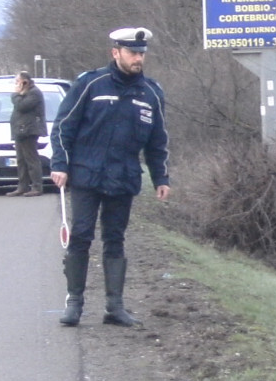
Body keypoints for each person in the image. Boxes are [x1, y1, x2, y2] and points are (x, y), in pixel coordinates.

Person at [49, 27, 171, 327]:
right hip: (86, 174)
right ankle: (74, 303)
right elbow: (64, 125)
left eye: (141, 53)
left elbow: (157, 141)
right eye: (132, 53)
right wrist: (60, 164)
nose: (138, 58)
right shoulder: (91, 84)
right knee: (81, 235)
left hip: (124, 177)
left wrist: (161, 178)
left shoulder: (152, 93)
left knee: (115, 239)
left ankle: (114, 307)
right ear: (115, 52)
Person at [9, 72, 47, 196]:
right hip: (20, 130)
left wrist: (16, 94)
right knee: (21, 160)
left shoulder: (34, 93)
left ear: (24, 81)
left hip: (29, 130)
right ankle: (23, 186)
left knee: (31, 159)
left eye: (17, 81)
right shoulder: (24, 93)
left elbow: (22, 106)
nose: (16, 84)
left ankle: (37, 187)